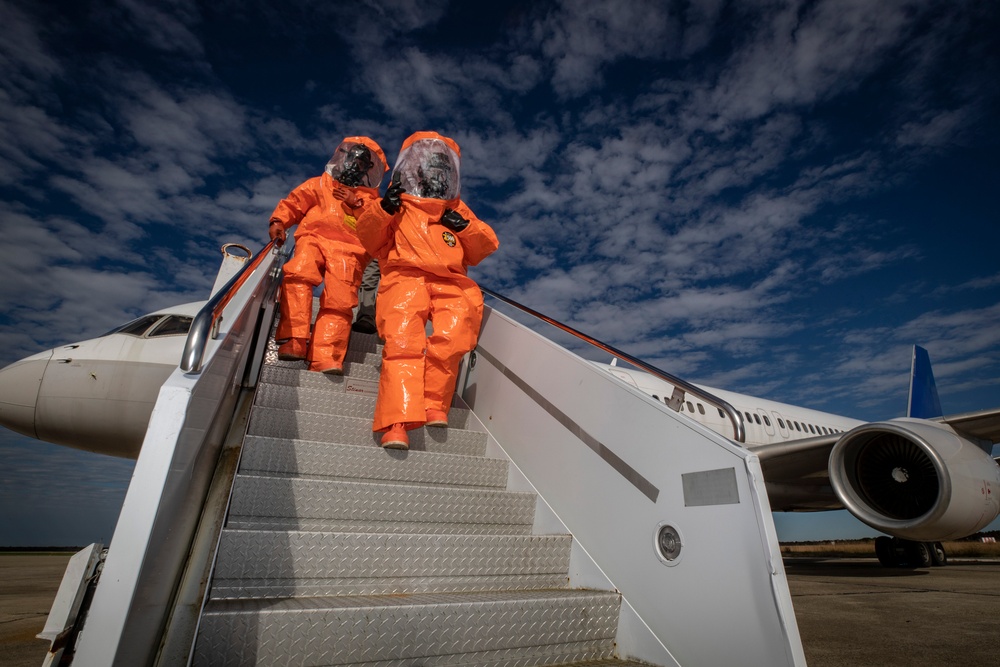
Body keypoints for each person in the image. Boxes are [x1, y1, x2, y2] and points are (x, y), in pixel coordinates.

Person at [356, 131, 499, 449]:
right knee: (404, 343)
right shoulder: (398, 203)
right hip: (405, 276)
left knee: (452, 340)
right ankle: (396, 422)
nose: (437, 169)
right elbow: (368, 238)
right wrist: (384, 209)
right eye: (431, 163)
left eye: (443, 164)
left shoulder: (458, 209)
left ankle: (435, 404)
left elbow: (484, 245)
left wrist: (465, 227)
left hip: (452, 281)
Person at [269, 136, 388, 374]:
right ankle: (294, 338)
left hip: (351, 251)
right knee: (299, 275)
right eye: (354, 160)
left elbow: (382, 224)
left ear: (370, 170)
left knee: (340, 301)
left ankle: (326, 355)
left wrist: (357, 203)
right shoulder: (320, 184)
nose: (357, 166)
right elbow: (294, 202)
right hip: (313, 238)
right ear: (343, 158)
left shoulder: (374, 202)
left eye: (364, 164)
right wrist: (279, 220)